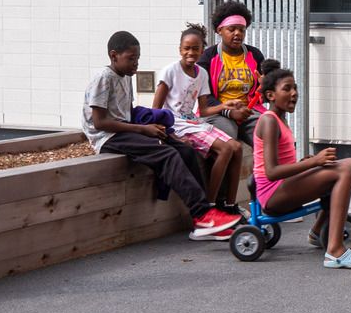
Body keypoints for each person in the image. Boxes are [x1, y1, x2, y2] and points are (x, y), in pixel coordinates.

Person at [86, 31, 239, 240]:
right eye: (131, 59)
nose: (136, 64)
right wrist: (143, 130)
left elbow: (127, 113)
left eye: (137, 59)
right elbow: (99, 122)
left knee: (185, 150)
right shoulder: (103, 78)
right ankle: (203, 215)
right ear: (114, 56)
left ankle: (206, 216)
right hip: (107, 138)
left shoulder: (125, 78)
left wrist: (167, 133)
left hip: (125, 130)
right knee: (166, 154)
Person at [250, 67, 351, 269]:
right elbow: (271, 172)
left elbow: (283, 166)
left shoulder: (280, 120)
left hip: (282, 187)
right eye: (287, 88)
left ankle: (318, 233)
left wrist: (303, 163)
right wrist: (313, 162)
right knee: (344, 171)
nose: (294, 93)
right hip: (272, 194)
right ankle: (335, 252)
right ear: (270, 95)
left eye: (295, 88)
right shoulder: (268, 121)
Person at [154, 22, 250, 211]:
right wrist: (167, 137)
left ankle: (231, 205)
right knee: (224, 149)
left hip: (193, 122)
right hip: (177, 125)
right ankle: (210, 206)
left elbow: (204, 110)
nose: (191, 52)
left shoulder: (202, 74)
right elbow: (156, 110)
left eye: (195, 49)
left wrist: (225, 105)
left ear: (202, 50)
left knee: (236, 147)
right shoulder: (170, 71)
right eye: (186, 48)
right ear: (180, 49)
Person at [206, 6, 266, 140]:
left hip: (249, 110)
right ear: (219, 30)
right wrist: (230, 112)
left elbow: (264, 91)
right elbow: (205, 98)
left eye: (242, 30)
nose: (238, 33)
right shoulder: (208, 58)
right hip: (218, 111)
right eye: (231, 29)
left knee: (268, 132)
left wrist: (266, 86)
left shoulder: (254, 55)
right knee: (228, 137)